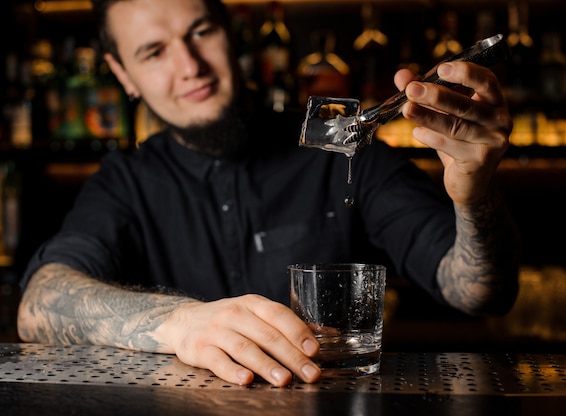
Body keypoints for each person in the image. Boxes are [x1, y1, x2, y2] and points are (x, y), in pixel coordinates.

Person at [17, 0, 520, 387]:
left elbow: (479, 292)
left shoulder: (342, 148)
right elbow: (39, 304)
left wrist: (473, 197)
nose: (189, 65)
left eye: (201, 32)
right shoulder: (125, 180)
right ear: (124, 74)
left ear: (231, 34)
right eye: (154, 51)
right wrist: (181, 322)